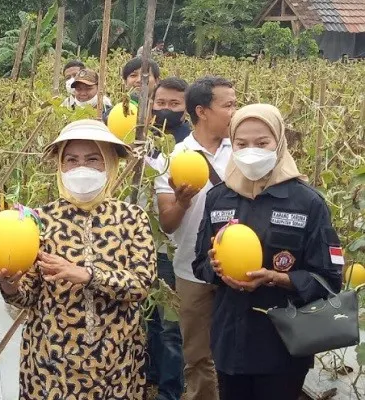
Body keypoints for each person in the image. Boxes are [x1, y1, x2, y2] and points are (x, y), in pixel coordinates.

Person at [0, 119, 156, 399]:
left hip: (115, 358)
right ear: (60, 166)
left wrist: (88, 275)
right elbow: (28, 297)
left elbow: (141, 284)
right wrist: (10, 286)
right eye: (72, 160)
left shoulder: (131, 218)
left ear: (110, 164)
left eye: (93, 160)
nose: (82, 169)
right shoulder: (37, 220)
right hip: (52, 359)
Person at [193, 104, 344, 400]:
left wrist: (277, 278)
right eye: (242, 143)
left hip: (283, 347)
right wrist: (217, 269)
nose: (251, 151)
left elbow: (329, 279)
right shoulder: (218, 197)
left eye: (262, 143)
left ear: (279, 142)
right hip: (230, 340)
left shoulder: (307, 202)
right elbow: (200, 263)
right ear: (232, 144)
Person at [154, 76, 237, 400]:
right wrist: (183, 201)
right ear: (202, 111)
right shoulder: (173, 158)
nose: (235, 111)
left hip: (241, 268)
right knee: (197, 354)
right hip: (191, 268)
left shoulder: (244, 151)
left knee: (237, 350)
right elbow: (167, 224)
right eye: (228, 105)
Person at [144, 76, 191, 400]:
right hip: (145, 246)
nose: (167, 110)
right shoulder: (141, 143)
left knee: (173, 326)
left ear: (187, 110)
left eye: (175, 104)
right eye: (161, 103)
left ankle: (170, 391)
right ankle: (153, 375)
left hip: (177, 249)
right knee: (152, 320)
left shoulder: (190, 148)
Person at [152, 77, 191, 144]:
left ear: (187, 107)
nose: (166, 108)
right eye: (161, 103)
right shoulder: (142, 136)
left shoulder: (192, 141)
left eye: (174, 104)